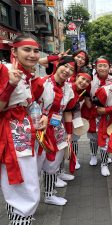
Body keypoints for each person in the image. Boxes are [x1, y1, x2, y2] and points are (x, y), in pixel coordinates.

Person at [0, 34, 47, 224]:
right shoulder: (4, 70)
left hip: (25, 130)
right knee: (21, 182)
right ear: (14, 51)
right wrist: (10, 84)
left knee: (28, 179)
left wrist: (41, 116)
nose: (33, 55)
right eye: (26, 50)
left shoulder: (29, 75)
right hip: (11, 133)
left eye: (35, 50)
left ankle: (19, 217)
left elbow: (27, 103)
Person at [32, 56, 78, 206]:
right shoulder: (41, 83)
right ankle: (30, 199)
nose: (67, 71)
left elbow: (67, 112)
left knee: (53, 165)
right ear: (58, 65)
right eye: (66, 66)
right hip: (38, 131)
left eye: (72, 69)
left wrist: (69, 132)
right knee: (35, 167)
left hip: (57, 130)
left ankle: (49, 194)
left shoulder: (69, 89)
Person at [81, 56, 112, 166]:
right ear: (96, 67)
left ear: (109, 67)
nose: (102, 68)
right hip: (94, 111)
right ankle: (93, 155)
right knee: (93, 136)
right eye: (100, 66)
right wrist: (88, 103)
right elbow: (86, 93)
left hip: (108, 111)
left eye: (105, 66)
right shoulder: (91, 79)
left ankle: (106, 156)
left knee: (107, 135)